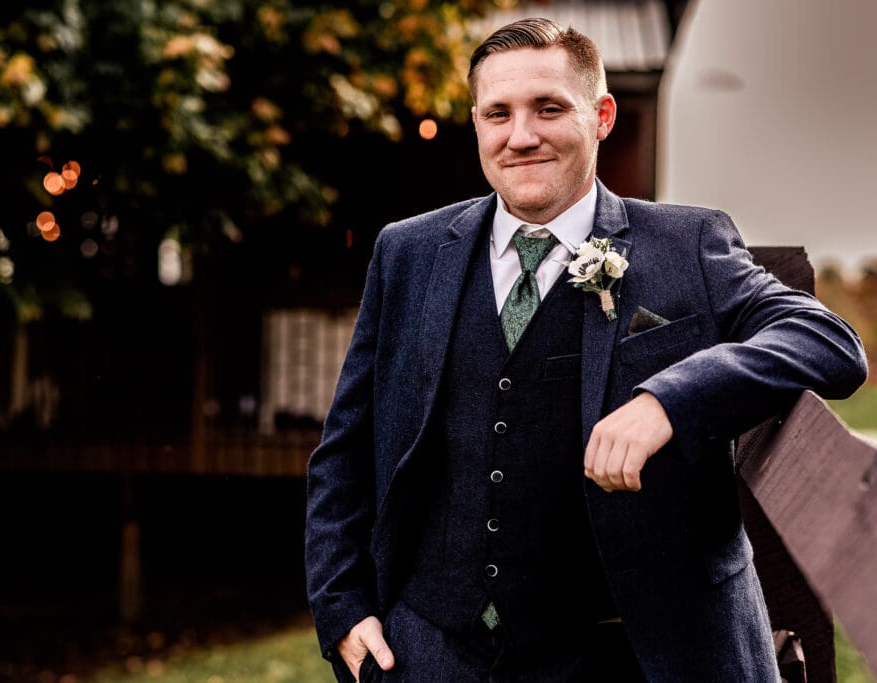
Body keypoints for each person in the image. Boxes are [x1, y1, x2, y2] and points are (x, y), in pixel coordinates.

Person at [304, 16, 868, 683]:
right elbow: (345, 450)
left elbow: (830, 342)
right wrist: (342, 608)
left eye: (549, 108)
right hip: (432, 653)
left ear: (601, 115)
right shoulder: (407, 252)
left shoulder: (686, 245)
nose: (521, 136)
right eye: (497, 113)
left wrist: (670, 400)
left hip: (634, 656)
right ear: (477, 124)